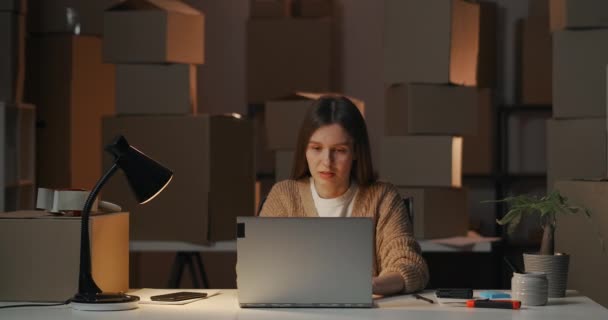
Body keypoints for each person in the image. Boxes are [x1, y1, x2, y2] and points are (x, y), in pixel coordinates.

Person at [259, 95, 429, 295]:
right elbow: (256, 270)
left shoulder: (382, 198)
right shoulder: (283, 197)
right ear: (304, 150)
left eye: (339, 150)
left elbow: (411, 265)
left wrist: (368, 286)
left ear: (356, 152)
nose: (326, 161)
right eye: (316, 148)